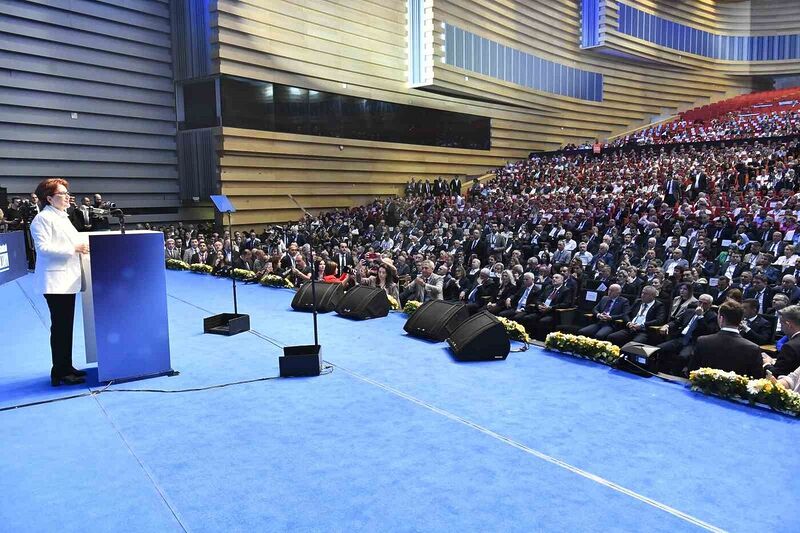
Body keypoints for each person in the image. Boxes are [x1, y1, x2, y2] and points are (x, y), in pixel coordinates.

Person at [29, 178, 90, 386]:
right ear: (49, 198)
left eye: (67, 193)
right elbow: (43, 249)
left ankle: (66, 366)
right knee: (61, 327)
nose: (67, 197)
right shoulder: (42, 219)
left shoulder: (62, 217)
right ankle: (59, 371)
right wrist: (74, 249)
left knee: (65, 326)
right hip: (55, 281)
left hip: (66, 279)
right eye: (61, 194)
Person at [688, 301, 764, 378]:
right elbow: (756, 380)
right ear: (740, 320)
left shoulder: (702, 341)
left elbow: (692, 372)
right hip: (736, 390)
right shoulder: (753, 349)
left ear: (721, 319)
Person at [762, 304, 800, 378]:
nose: (781, 328)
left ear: (788, 325)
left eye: (781, 323)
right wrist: (774, 362)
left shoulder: (789, 347)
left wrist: (766, 364)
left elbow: (777, 375)